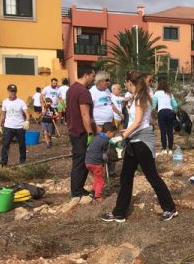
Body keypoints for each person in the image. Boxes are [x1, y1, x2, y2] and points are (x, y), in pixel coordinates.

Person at [101, 72, 178, 223]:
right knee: (126, 177)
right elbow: (138, 123)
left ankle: (170, 208)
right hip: (134, 140)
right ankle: (119, 213)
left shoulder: (140, 98)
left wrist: (122, 136)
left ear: (130, 82)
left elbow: (137, 122)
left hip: (142, 141)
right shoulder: (139, 97)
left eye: (126, 83)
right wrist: (124, 132)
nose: (125, 86)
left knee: (152, 176)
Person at [65, 68, 96, 199]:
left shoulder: (71, 89)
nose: (93, 79)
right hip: (81, 131)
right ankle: (76, 191)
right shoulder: (83, 92)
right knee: (81, 161)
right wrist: (90, 133)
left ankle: (78, 189)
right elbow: (85, 114)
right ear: (86, 74)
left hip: (73, 129)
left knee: (79, 160)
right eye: (92, 76)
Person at [0, 84, 30, 167]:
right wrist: (0, 126)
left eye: (14, 91)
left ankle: (22, 161)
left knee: (22, 145)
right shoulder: (5, 102)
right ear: (8, 91)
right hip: (8, 127)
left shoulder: (21, 102)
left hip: (20, 127)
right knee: (6, 144)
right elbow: (2, 115)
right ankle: (3, 162)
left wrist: (27, 121)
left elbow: (27, 113)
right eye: (11, 91)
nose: (13, 93)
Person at [85, 122, 116, 201]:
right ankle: (98, 196)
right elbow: (105, 153)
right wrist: (106, 159)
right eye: (113, 134)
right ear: (108, 132)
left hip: (88, 161)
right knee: (101, 180)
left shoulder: (96, 137)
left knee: (97, 177)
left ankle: (93, 192)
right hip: (96, 162)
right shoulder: (105, 140)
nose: (113, 136)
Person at [153, 80, 179, 155]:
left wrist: (153, 111)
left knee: (163, 131)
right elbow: (175, 105)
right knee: (170, 131)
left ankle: (164, 149)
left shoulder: (157, 93)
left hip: (161, 112)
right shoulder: (169, 93)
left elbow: (153, 105)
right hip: (170, 112)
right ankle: (170, 149)